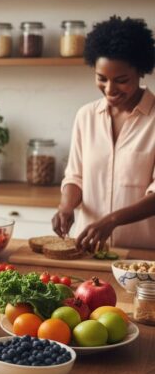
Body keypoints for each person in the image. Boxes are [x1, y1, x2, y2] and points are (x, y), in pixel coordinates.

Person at [53, 16, 155, 251]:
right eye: (101, 78)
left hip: (141, 256)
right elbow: (75, 176)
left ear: (141, 71)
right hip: (86, 251)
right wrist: (66, 207)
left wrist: (112, 220)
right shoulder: (86, 116)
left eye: (121, 80)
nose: (110, 89)